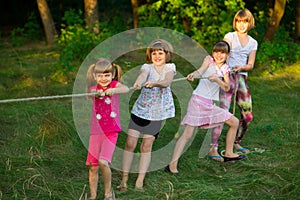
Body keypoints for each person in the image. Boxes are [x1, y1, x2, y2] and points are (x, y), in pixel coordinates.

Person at [166, 40, 246, 175]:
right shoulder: (209, 60)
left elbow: (226, 87)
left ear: (227, 55)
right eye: (216, 52)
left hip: (209, 104)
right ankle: (171, 166)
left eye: (222, 53)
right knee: (187, 135)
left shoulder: (225, 69)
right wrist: (193, 75)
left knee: (234, 122)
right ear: (213, 52)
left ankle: (229, 153)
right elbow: (200, 71)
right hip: (197, 101)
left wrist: (217, 80)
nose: (219, 55)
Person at [118, 39, 176, 191]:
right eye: (154, 53)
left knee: (146, 146)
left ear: (166, 55)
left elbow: (167, 81)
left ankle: (139, 180)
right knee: (130, 143)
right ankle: (124, 179)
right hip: (140, 111)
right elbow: (143, 76)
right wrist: (138, 82)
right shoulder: (147, 67)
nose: (157, 56)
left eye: (160, 53)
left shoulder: (170, 67)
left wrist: (155, 83)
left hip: (156, 115)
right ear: (150, 55)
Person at [209, 9, 258, 161]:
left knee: (247, 115)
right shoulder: (230, 36)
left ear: (250, 23)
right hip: (227, 76)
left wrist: (241, 67)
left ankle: (236, 140)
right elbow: (223, 52)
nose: (241, 25)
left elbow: (250, 64)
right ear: (235, 22)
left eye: (245, 22)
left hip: (241, 78)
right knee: (223, 112)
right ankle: (213, 147)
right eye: (239, 21)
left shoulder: (253, 42)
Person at [85, 58, 129, 200]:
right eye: (100, 75)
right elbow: (89, 94)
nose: (103, 78)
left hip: (111, 131)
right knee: (93, 166)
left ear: (112, 75)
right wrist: (97, 94)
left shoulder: (115, 85)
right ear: (94, 76)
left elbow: (126, 89)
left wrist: (113, 89)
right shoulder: (93, 89)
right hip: (95, 132)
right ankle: (92, 196)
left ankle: (108, 194)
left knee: (103, 162)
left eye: (107, 75)